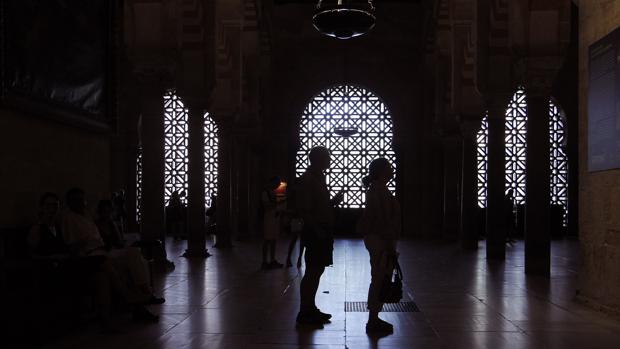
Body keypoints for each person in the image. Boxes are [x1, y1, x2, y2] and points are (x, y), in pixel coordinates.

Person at [61, 188, 164, 306]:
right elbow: (73, 243)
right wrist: (89, 242)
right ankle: (133, 297)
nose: (81, 202)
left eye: (82, 199)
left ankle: (146, 292)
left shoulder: (86, 217)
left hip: (103, 250)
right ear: (69, 202)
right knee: (131, 262)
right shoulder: (68, 218)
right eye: (76, 200)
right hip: (91, 255)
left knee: (134, 254)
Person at [295, 146, 344, 326]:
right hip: (317, 232)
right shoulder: (308, 180)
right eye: (327, 156)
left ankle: (310, 308)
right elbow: (306, 211)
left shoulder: (318, 178)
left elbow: (318, 207)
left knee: (317, 270)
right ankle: (304, 311)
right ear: (317, 159)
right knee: (312, 271)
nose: (330, 159)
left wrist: (332, 203)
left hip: (322, 231)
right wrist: (317, 230)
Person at [358, 158, 401, 334]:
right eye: (389, 168)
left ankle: (374, 318)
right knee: (379, 278)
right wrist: (389, 244)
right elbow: (382, 219)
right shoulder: (379, 190)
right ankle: (373, 320)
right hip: (380, 239)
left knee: (379, 277)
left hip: (377, 238)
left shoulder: (377, 189)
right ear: (382, 170)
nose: (392, 171)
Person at [261, 176, 286, 269]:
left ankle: (272, 260)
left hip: (275, 217)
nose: (278, 185)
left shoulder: (273, 192)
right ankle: (264, 261)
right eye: (277, 183)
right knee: (267, 240)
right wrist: (278, 204)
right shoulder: (265, 192)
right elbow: (266, 206)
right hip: (268, 218)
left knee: (274, 240)